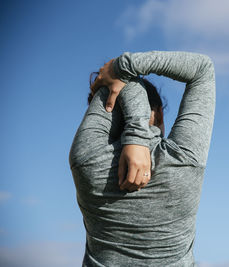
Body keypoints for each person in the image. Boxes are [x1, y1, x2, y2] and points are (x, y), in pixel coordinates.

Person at [69, 51, 216, 266]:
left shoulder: (86, 160)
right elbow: (202, 68)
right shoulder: (183, 158)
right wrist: (122, 66)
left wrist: (135, 134)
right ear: (158, 112)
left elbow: (118, 91)